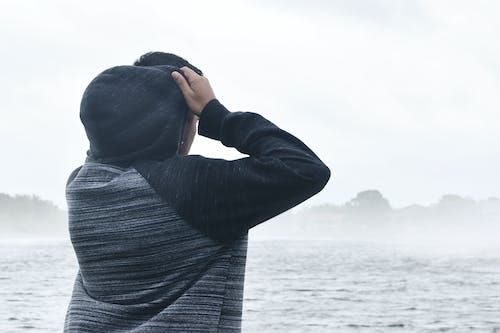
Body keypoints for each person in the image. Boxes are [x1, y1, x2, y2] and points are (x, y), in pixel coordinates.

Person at [63, 52, 331, 332]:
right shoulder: (191, 190)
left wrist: (141, 90)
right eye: (191, 119)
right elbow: (305, 168)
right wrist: (215, 113)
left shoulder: (82, 186)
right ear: (174, 125)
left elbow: (109, 136)